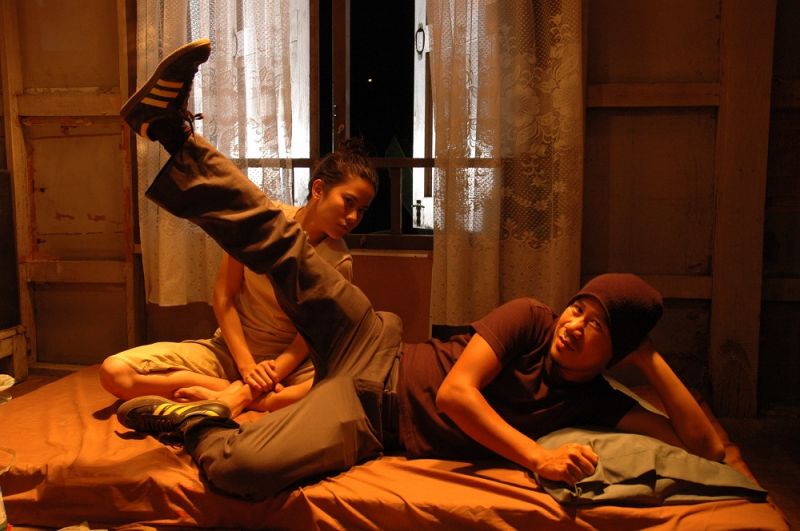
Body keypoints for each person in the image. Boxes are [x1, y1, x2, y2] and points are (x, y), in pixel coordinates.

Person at [114, 38, 725, 501]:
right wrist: (535, 459)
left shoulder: (595, 402)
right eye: (578, 308)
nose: (573, 323)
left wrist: (647, 357)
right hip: (374, 346)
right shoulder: (534, 320)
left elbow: (707, 448)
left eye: (595, 326)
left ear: (617, 349)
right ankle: (171, 131)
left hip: (372, 415)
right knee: (287, 248)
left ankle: (194, 424)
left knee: (243, 471)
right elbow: (457, 396)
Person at [99, 38, 378, 414]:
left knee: (345, 387)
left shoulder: (338, 262)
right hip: (232, 352)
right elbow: (224, 297)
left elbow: (305, 339)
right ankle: (235, 392)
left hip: (285, 369)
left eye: (362, 211)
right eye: (349, 202)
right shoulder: (268, 220)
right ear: (318, 190)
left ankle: (239, 395)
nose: (353, 218)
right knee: (114, 372)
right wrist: (247, 368)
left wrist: (271, 372)